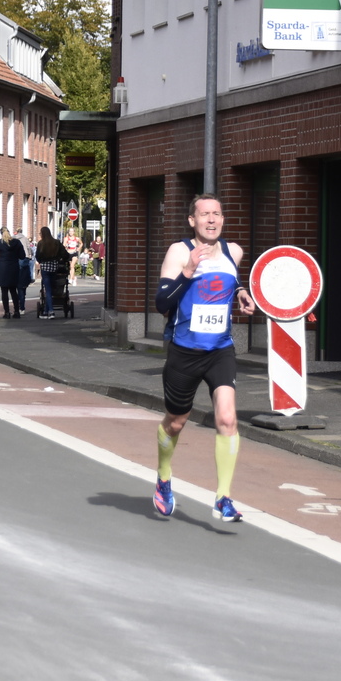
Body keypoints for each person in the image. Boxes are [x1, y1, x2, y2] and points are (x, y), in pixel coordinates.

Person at [152, 195, 257, 522]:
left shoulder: (233, 251)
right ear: (192, 220)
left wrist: (241, 292)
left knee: (227, 418)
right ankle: (164, 477)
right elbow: (161, 303)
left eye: (216, 214)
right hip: (184, 351)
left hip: (220, 350)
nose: (211, 220)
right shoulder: (179, 251)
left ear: (222, 219)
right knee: (176, 422)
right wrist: (188, 271)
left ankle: (223, 497)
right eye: (204, 215)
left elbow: (231, 280)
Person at [0, 227, 26, 318]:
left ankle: (7, 312)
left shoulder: (0, 243)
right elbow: (22, 256)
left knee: (4, 291)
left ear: (1, 234)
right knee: (13, 291)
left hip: (2, 268)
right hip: (13, 268)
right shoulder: (17, 242)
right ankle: (16, 311)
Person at [35, 226, 69, 320]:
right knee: (52, 287)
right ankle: (46, 311)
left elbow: (38, 256)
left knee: (48, 290)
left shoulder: (41, 243)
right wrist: (63, 260)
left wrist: (41, 261)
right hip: (54, 267)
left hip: (45, 267)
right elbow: (65, 254)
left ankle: (51, 311)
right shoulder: (56, 243)